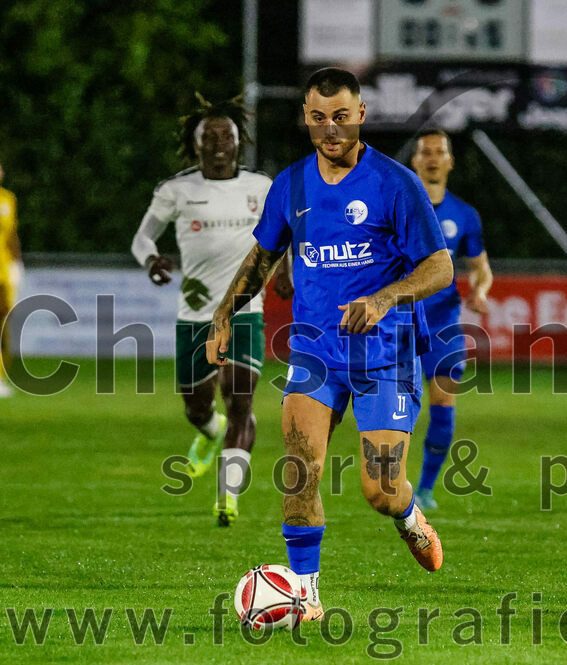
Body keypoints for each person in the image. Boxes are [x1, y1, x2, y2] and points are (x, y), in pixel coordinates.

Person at [206, 68, 454, 622]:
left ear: (361, 114)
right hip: (316, 353)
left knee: (379, 489)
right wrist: (224, 312)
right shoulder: (291, 185)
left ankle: (409, 516)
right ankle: (306, 595)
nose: (331, 131)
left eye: (341, 117)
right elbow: (264, 256)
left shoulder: (395, 184)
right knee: (299, 466)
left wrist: (386, 298)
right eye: (318, 119)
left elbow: (440, 266)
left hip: (383, 353)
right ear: (307, 120)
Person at [131, 96, 276, 526]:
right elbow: (142, 239)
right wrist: (152, 260)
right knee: (197, 407)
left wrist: (284, 269)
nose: (218, 144)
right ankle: (208, 433)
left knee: (240, 400)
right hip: (194, 316)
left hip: (244, 310)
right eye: (208, 137)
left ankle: (227, 497)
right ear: (195, 146)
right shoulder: (176, 190)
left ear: (238, 142)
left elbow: (283, 235)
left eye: (226, 136)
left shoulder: (261, 188)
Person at [408, 129, 493, 510]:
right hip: (400, 320)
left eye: (439, 151)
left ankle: (425, 490)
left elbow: (481, 268)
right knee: (394, 407)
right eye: (424, 151)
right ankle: (389, 483)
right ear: (414, 161)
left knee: (443, 405)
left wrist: (480, 290)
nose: (431, 157)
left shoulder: (465, 214)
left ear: (449, 161)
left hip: (442, 321)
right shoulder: (399, 207)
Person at [0, 162, 23, 399]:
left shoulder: (7, 199)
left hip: (3, 272)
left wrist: (17, 264)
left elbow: (12, 234)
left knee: (4, 324)